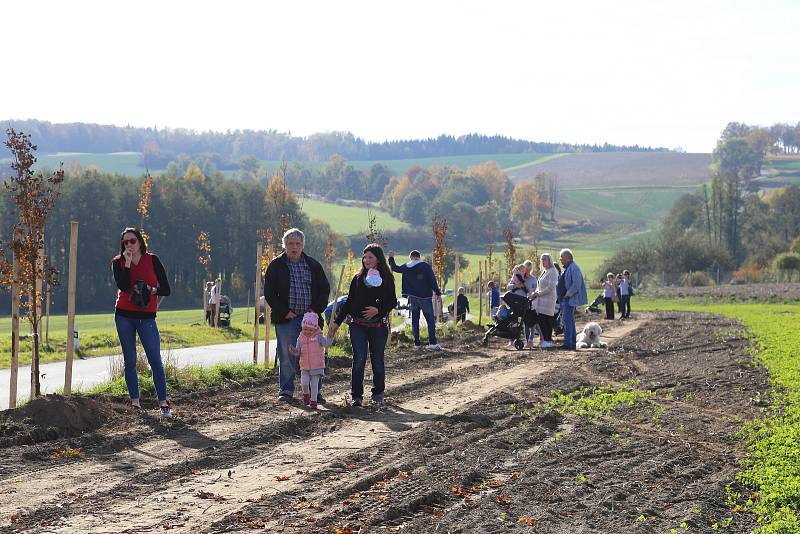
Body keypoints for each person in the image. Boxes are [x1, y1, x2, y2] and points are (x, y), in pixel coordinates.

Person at [264, 228, 331, 402]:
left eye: (298, 244)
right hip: (287, 319)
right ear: (284, 245)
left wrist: (315, 310)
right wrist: (283, 311)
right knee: (287, 355)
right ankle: (286, 391)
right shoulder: (276, 266)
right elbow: (269, 293)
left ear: (302, 245)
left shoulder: (313, 265)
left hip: (310, 320)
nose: (294, 247)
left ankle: (315, 393)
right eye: (290, 244)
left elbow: (324, 290)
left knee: (314, 356)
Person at [111, 227, 173, 417]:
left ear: (140, 241)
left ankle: (163, 403)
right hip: (124, 316)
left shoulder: (152, 260)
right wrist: (128, 263)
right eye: (125, 242)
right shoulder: (118, 262)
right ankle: (135, 402)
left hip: (146, 317)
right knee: (129, 360)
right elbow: (122, 285)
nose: (129, 245)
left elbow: (166, 289)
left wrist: (150, 289)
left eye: (132, 241)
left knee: (155, 359)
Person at [330, 244, 397, 407]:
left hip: (378, 326)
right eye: (365, 257)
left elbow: (392, 301)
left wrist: (378, 310)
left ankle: (378, 394)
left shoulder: (387, 278)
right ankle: (357, 396)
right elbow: (349, 302)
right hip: (358, 325)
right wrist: (336, 322)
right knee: (359, 359)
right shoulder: (358, 278)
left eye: (370, 257)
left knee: (377, 360)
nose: (366, 260)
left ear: (378, 259)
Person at [388, 249, 442, 350]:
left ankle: (417, 344)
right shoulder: (426, 266)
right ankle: (433, 343)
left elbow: (395, 268)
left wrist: (391, 258)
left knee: (415, 321)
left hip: (413, 298)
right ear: (419, 256)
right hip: (425, 297)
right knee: (430, 321)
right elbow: (432, 280)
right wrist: (438, 292)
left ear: (411, 257)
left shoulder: (407, 266)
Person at [288, 312, 333, 409]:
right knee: (304, 383)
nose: (307, 331)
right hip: (304, 366)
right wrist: (294, 351)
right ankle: (306, 395)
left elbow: (326, 344)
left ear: (315, 328)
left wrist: (330, 336)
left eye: (310, 329)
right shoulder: (300, 337)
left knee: (314, 384)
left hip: (317, 365)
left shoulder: (318, 336)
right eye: (305, 329)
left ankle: (313, 401)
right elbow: (298, 351)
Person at [556, 249, 588, 350]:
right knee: (569, 321)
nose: (560, 259)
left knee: (567, 321)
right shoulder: (568, 267)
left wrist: (568, 294)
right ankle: (571, 343)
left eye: (562, 257)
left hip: (569, 300)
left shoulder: (573, 268)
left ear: (567, 257)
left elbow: (576, 284)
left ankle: (568, 344)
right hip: (565, 299)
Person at [531, 253, 558, 349]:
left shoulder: (553, 271)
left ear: (549, 260)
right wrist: (535, 293)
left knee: (546, 320)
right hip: (541, 300)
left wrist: (539, 293)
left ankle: (548, 340)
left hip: (548, 300)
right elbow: (540, 286)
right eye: (542, 259)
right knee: (542, 320)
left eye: (545, 259)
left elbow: (551, 287)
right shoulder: (544, 271)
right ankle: (546, 340)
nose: (543, 261)